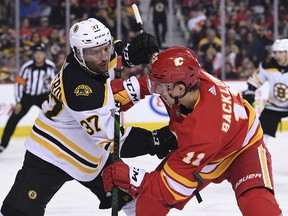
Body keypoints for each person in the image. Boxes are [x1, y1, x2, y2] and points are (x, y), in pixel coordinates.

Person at [0, 18, 177, 216]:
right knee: (18, 211)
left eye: (105, 48)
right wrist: (156, 140)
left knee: (140, 201)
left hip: (91, 153)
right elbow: (114, 139)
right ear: (79, 54)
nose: (103, 57)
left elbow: (112, 52)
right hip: (52, 153)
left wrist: (130, 51)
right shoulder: (80, 91)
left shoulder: (87, 58)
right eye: (95, 52)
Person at [103, 46, 283, 215]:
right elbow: (158, 79)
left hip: (242, 149)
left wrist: (130, 176)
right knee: (148, 203)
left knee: (257, 204)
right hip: (206, 147)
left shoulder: (202, 132)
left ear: (180, 89)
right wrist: (128, 92)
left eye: (161, 87)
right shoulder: (187, 79)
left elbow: (170, 188)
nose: (156, 91)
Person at [0, 43, 56, 153]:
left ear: (44, 54)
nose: (38, 55)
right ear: (33, 54)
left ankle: (56, 146)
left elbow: (54, 84)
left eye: (40, 53)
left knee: (55, 119)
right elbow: (19, 84)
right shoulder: (27, 67)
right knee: (13, 119)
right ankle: (2, 145)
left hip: (43, 96)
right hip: (27, 97)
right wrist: (18, 101)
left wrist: (53, 101)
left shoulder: (50, 66)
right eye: (36, 53)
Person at [243, 38, 288, 144]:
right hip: (273, 106)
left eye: (280, 52)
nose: (277, 56)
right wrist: (250, 92)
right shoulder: (268, 65)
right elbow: (255, 80)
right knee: (260, 136)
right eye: (276, 53)